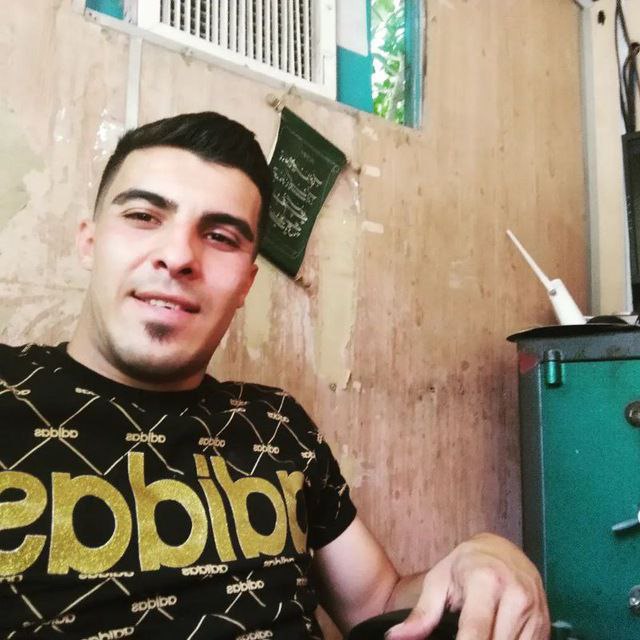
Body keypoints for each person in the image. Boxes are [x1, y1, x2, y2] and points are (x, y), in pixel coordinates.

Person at [0, 112, 550, 640]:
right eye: (144, 216)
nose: (178, 255)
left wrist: (480, 560)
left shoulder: (276, 424)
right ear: (89, 241)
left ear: (245, 284)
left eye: (221, 236)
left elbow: (377, 603)